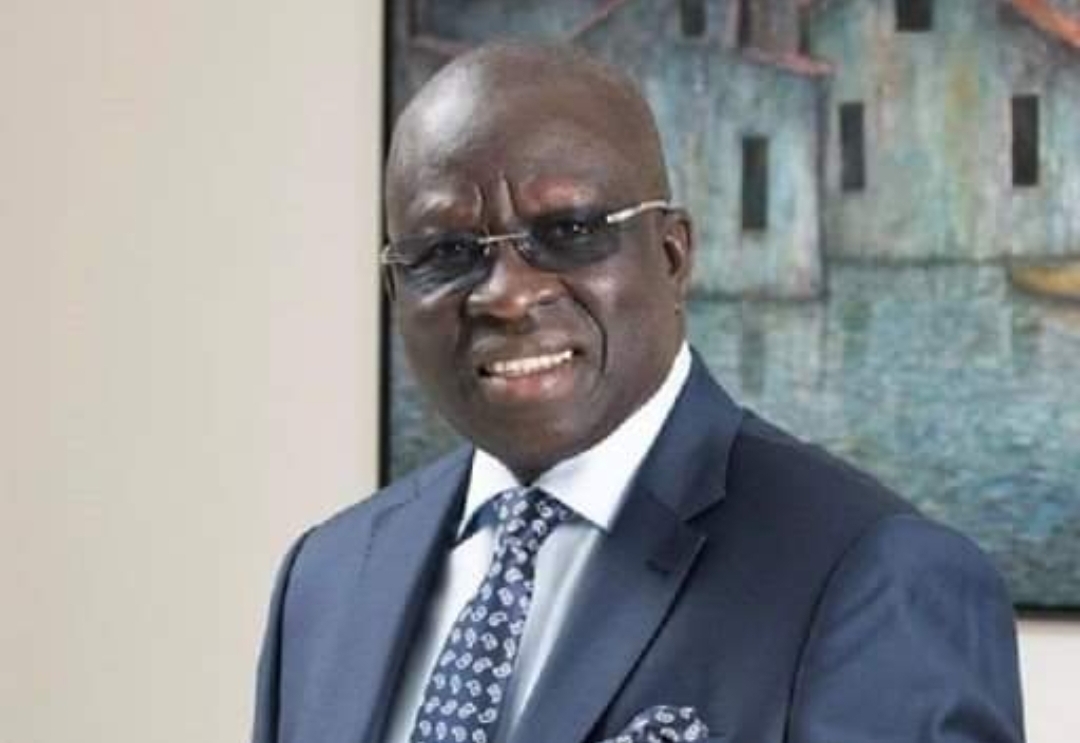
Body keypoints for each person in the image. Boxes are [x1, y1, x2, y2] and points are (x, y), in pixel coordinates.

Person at [252, 43, 1025, 743]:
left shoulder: (876, 578)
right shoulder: (327, 579)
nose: (507, 295)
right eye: (448, 251)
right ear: (396, 289)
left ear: (672, 256)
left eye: (568, 232)